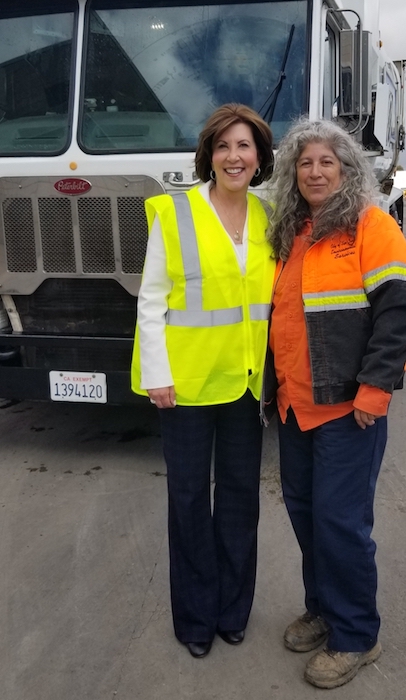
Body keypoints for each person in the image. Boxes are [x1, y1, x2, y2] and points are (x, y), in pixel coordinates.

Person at [266, 119, 406, 689]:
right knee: (308, 518)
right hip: (293, 406)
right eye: (304, 163)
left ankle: (357, 635)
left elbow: (400, 312)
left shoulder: (370, 226)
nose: (314, 172)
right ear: (293, 173)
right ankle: (324, 608)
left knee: (340, 523)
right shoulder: (290, 232)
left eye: (326, 162)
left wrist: (376, 389)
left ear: (347, 169)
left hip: (346, 407)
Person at [130, 104, 275, 659]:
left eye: (245, 147)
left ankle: (232, 610)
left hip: (245, 383)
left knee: (241, 500)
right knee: (189, 500)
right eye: (223, 147)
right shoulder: (175, 213)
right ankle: (194, 618)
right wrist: (157, 374)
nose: (234, 157)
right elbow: (151, 300)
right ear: (208, 156)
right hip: (186, 385)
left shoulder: (269, 216)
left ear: (259, 157)